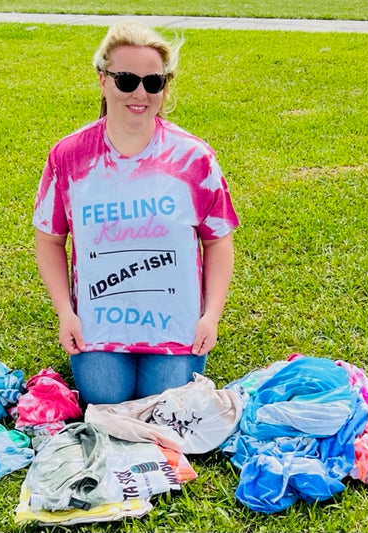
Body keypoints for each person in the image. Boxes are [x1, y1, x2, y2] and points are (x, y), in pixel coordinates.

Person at [33, 20, 239, 405]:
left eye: (153, 82)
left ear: (165, 86)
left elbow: (218, 241)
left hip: (174, 324)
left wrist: (210, 316)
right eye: (126, 80)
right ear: (103, 80)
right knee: (104, 395)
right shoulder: (69, 156)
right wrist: (66, 313)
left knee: (164, 401)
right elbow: (48, 239)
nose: (140, 93)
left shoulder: (194, 157)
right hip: (101, 322)